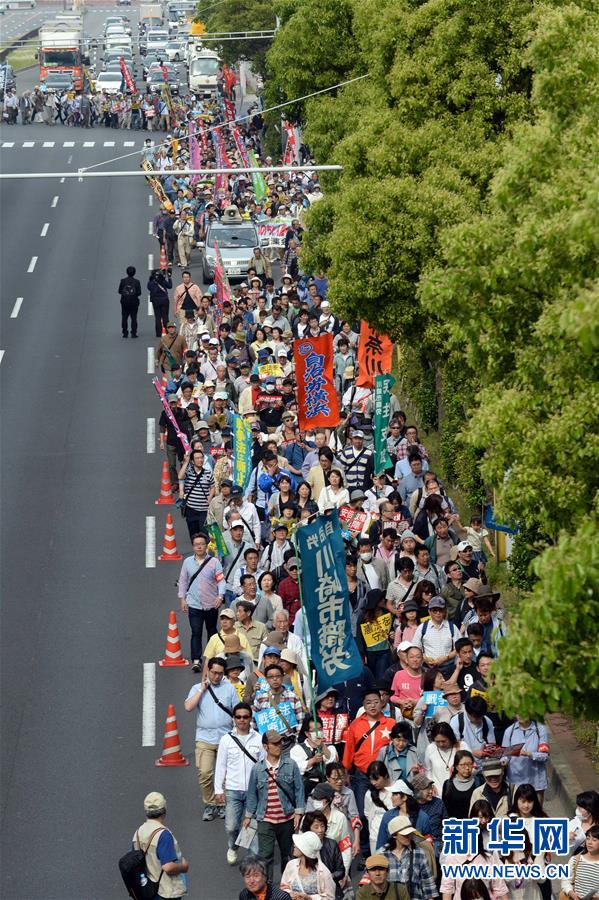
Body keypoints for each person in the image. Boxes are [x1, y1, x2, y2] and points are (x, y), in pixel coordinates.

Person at [243, 730, 305, 881]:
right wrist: (248, 816)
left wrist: (299, 812)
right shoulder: (258, 769)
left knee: (288, 855)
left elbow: (299, 789)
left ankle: (287, 885)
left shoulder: (291, 765)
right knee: (265, 856)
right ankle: (268, 887)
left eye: (280, 742)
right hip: (265, 819)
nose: (280, 745)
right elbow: (252, 794)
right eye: (275, 743)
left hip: (288, 818)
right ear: (266, 746)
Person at [342, 689, 396, 857]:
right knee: (362, 814)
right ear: (363, 705)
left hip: (384, 776)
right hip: (361, 776)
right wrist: (345, 771)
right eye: (368, 702)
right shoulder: (356, 724)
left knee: (388, 811)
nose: (372, 705)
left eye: (375, 701)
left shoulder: (390, 723)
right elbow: (349, 749)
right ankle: (365, 852)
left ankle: (390, 847)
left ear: (381, 702)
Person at [184, 656, 239, 821]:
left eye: (220, 674)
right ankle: (209, 803)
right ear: (208, 671)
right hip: (204, 738)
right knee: (205, 772)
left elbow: (237, 711)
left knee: (225, 775)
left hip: (225, 737)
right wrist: (202, 689)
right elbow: (188, 707)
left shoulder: (229, 689)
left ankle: (222, 804)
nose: (216, 677)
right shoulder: (197, 688)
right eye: (213, 672)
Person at [214, 701, 263, 864]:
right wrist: (218, 789)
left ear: (250, 718)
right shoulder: (226, 740)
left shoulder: (259, 738)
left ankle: (252, 862)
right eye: (238, 717)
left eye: (245, 717)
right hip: (233, 790)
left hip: (253, 792)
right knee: (231, 827)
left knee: (252, 827)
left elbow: (263, 765)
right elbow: (220, 765)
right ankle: (233, 846)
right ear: (234, 719)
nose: (242, 720)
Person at [177, 533, 226, 672]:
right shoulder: (187, 562)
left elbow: (220, 580)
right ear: (193, 546)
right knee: (196, 631)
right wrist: (182, 599)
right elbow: (183, 581)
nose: (199, 546)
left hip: (211, 603)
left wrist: (220, 596)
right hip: (194, 604)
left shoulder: (214, 562)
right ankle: (196, 659)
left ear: (207, 546)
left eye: (202, 544)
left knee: (212, 630)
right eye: (196, 544)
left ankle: (212, 658)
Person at [132, 792, 188, 900]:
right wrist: (183, 867)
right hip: (165, 891)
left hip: (148, 890)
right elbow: (168, 867)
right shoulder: (163, 835)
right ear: (164, 811)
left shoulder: (138, 833)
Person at [378, 815, 438, 899]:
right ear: (394, 835)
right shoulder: (382, 854)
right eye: (405, 835)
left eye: (410, 834)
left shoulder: (418, 853)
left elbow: (427, 882)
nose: (408, 837)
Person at [500, 716, 550, 801]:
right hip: (515, 780)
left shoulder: (540, 730)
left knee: (536, 812)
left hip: (536, 780)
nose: (520, 715)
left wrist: (529, 754)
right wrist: (504, 761)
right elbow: (505, 754)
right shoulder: (509, 731)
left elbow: (545, 756)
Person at [301, 812, 347, 900]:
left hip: (329, 888)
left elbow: (340, 871)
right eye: (316, 827)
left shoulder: (332, 844)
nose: (320, 830)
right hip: (306, 889)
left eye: (322, 826)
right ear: (308, 829)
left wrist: (327, 877)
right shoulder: (300, 847)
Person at [253, 663, 303, 743]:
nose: (275, 679)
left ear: (282, 677)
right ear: (266, 679)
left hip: (289, 742)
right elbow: (254, 721)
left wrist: (296, 739)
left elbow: (300, 720)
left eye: (278, 676)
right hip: (268, 745)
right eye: (271, 677)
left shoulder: (293, 696)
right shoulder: (260, 698)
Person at [291, 715, 339, 796]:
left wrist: (322, 746)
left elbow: (333, 761)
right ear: (307, 733)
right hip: (307, 789)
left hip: (327, 787)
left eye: (320, 729)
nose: (318, 732)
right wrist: (313, 760)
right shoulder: (297, 749)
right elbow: (296, 768)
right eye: (314, 731)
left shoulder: (330, 747)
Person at [280, 832, 336, 900]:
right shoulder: (291, 865)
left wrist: (310, 898)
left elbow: (330, 898)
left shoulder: (324, 873)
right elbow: (283, 887)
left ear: (305, 850)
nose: (294, 845)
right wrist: (290, 894)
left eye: (298, 844)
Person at [178, 449, 215, 540]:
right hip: (191, 509)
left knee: (204, 535)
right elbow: (180, 476)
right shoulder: (189, 472)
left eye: (201, 458)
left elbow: (213, 487)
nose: (200, 460)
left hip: (204, 510)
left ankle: (204, 553)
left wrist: (210, 496)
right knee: (193, 535)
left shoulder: (208, 473)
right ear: (193, 461)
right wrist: (186, 462)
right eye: (197, 458)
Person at [424, 722, 469, 795]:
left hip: (460, 792)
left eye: (444, 741)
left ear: (450, 737)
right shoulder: (430, 748)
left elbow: (473, 768)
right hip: (438, 794)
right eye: (437, 742)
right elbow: (428, 770)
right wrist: (430, 785)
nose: (441, 744)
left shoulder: (462, 746)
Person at [561, 825, 599, 900]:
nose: (590, 842)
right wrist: (571, 893)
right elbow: (566, 880)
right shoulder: (576, 859)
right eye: (588, 839)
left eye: (594, 840)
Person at [441, 750, 482, 819]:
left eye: (470, 764)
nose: (467, 768)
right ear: (456, 766)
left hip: (474, 826)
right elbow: (445, 809)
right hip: (455, 826)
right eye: (463, 765)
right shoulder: (448, 784)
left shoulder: (479, 782)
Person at [364, 762, 394, 854]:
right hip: (375, 837)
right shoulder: (369, 794)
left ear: (385, 775)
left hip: (394, 836)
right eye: (371, 779)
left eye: (376, 779)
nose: (373, 783)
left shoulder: (396, 789)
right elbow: (367, 814)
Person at [118, 264, 141, 338]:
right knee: (134, 317)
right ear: (134, 272)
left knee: (124, 317)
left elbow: (119, 291)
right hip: (134, 302)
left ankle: (125, 332)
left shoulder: (123, 281)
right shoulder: (137, 282)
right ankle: (133, 333)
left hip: (124, 302)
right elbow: (139, 293)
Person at [148, 267, 172, 337]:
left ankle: (158, 333)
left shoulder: (152, 282)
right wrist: (169, 278)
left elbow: (149, 287)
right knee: (165, 317)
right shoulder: (163, 280)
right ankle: (168, 332)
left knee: (157, 317)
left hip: (155, 301)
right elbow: (170, 286)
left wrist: (151, 279)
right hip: (164, 300)